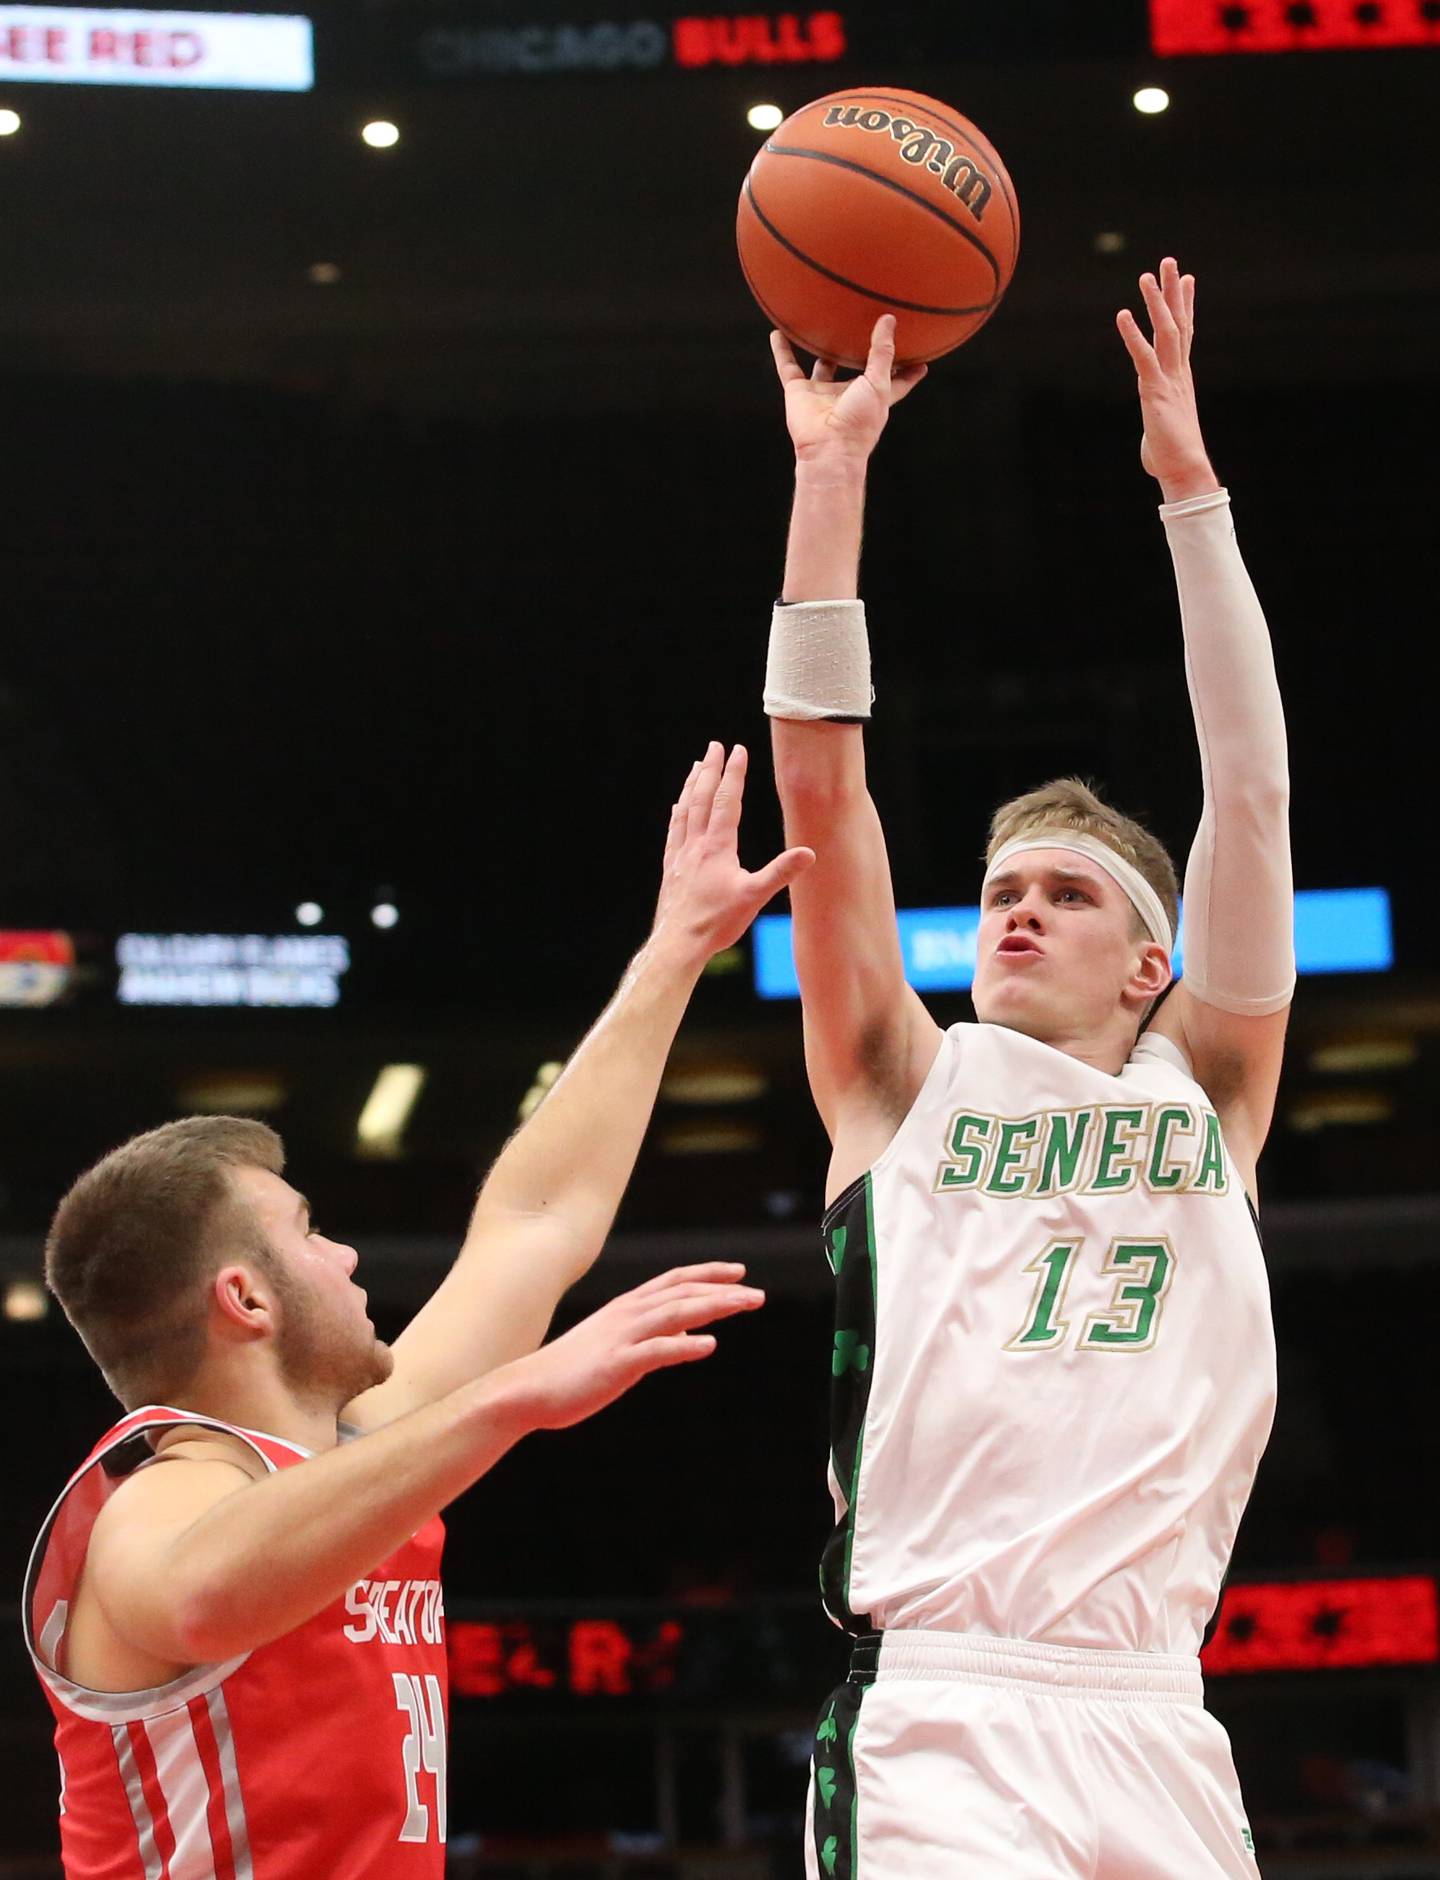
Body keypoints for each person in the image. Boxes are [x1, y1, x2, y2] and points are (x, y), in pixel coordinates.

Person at [25, 742, 811, 1878]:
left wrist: (674, 951)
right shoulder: (164, 1485)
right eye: (308, 1230)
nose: (347, 1254)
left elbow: (537, 1218)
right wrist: (507, 1401)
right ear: (242, 1297)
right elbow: (198, 1594)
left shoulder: (356, 1452)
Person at [765, 260, 1292, 1876]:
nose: (1018, 912)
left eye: (1065, 895)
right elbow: (824, 795)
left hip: (1157, 1712)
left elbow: (1250, 796)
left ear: (1153, 962)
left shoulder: (1202, 1092)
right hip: (943, 1722)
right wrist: (831, 477)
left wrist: (1191, 498)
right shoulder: (897, 1082)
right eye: (1000, 892)